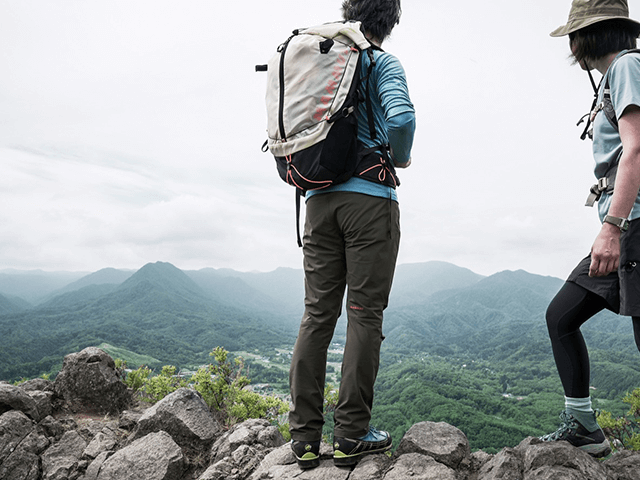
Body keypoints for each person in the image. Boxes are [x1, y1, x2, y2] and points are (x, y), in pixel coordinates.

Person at [288, 0, 416, 469]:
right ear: (391, 21)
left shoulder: (324, 61)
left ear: (348, 12)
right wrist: (398, 157)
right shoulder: (381, 62)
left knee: (316, 316)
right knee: (364, 314)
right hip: (369, 201)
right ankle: (351, 436)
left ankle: (303, 439)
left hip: (317, 201)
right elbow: (400, 120)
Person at [542, 0, 640, 458]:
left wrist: (613, 227)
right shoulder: (619, 73)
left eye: (574, 36)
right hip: (625, 225)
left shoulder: (627, 67)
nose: (572, 46)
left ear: (589, 35)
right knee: (561, 316)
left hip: (632, 225)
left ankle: (584, 429)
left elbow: (637, 149)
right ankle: (583, 426)